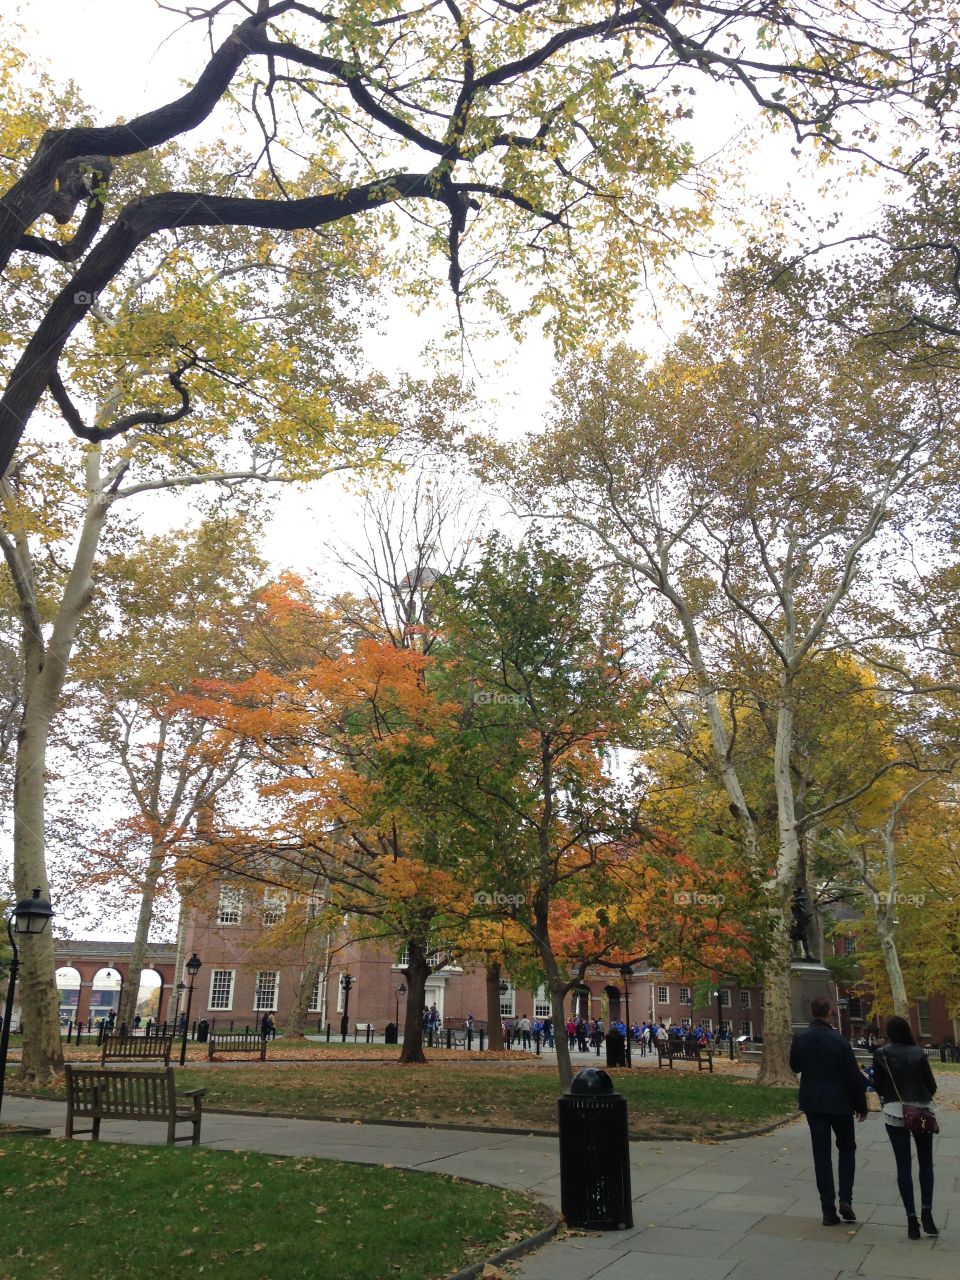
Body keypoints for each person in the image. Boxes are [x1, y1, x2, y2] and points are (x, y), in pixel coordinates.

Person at [789, 996, 868, 1226]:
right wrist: (861, 1105)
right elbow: (853, 1076)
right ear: (829, 1013)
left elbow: (795, 1066)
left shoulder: (801, 1038)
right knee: (847, 1149)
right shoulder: (840, 1041)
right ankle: (846, 1199)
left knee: (821, 1154)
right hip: (841, 1102)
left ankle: (827, 1209)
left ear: (812, 1012)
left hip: (813, 1101)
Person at [872, 1015, 939, 1239]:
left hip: (895, 1111)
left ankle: (911, 1219)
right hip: (920, 1110)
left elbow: (879, 1087)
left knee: (903, 1166)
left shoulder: (881, 1054)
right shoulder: (918, 1053)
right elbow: (931, 1085)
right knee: (926, 1162)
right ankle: (927, 1211)